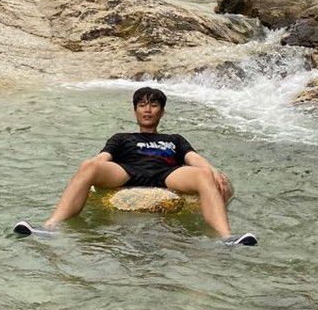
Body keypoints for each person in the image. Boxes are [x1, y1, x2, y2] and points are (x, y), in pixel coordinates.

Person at [14, 86, 257, 246]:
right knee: (89, 165)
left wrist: (213, 171)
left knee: (203, 175)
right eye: (142, 105)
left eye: (153, 105)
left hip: (167, 173)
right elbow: (102, 159)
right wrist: (87, 176)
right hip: (127, 171)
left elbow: (194, 158)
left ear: (162, 112)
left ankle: (226, 238)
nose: (147, 110)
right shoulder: (122, 138)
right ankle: (50, 227)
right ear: (135, 111)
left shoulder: (175, 139)